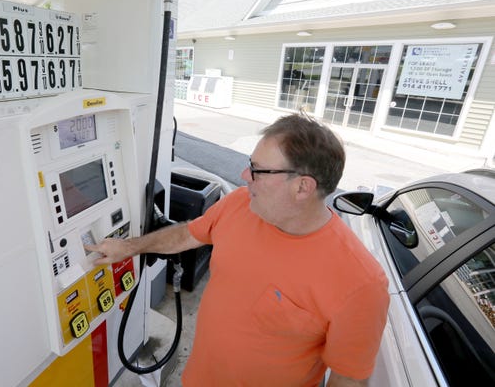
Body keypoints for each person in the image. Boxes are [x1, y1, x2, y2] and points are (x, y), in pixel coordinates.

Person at [85, 113, 389, 387]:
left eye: (257, 170)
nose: (244, 176)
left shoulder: (361, 284)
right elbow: (187, 235)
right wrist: (128, 248)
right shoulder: (240, 205)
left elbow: (347, 381)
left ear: (303, 188)